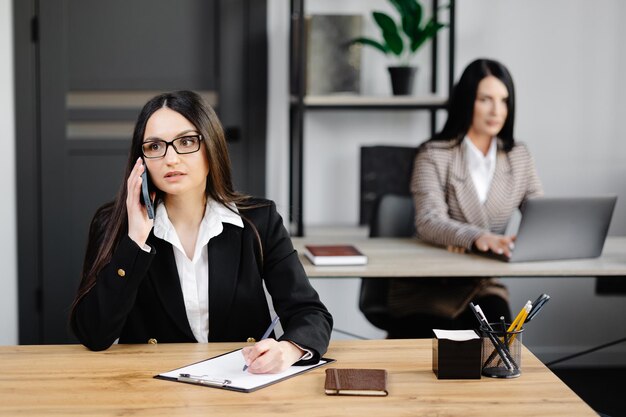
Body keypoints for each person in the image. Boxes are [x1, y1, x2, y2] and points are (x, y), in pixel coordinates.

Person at [70, 90, 333, 373]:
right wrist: (134, 241)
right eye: (155, 146)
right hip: (151, 389)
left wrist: (288, 349)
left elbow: (310, 313)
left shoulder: (258, 220)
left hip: (240, 386)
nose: (170, 159)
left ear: (212, 147)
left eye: (186, 142)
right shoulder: (113, 224)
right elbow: (93, 334)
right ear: (141, 160)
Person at [386, 59, 543, 338]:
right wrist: (478, 238)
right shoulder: (434, 154)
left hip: (481, 283)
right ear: (467, 101)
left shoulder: (518, 155)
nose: (497, 110)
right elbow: (428, 221)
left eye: (504, 100)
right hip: (429, 284)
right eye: (486, 99)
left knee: (499, 344)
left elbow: (540, 213)